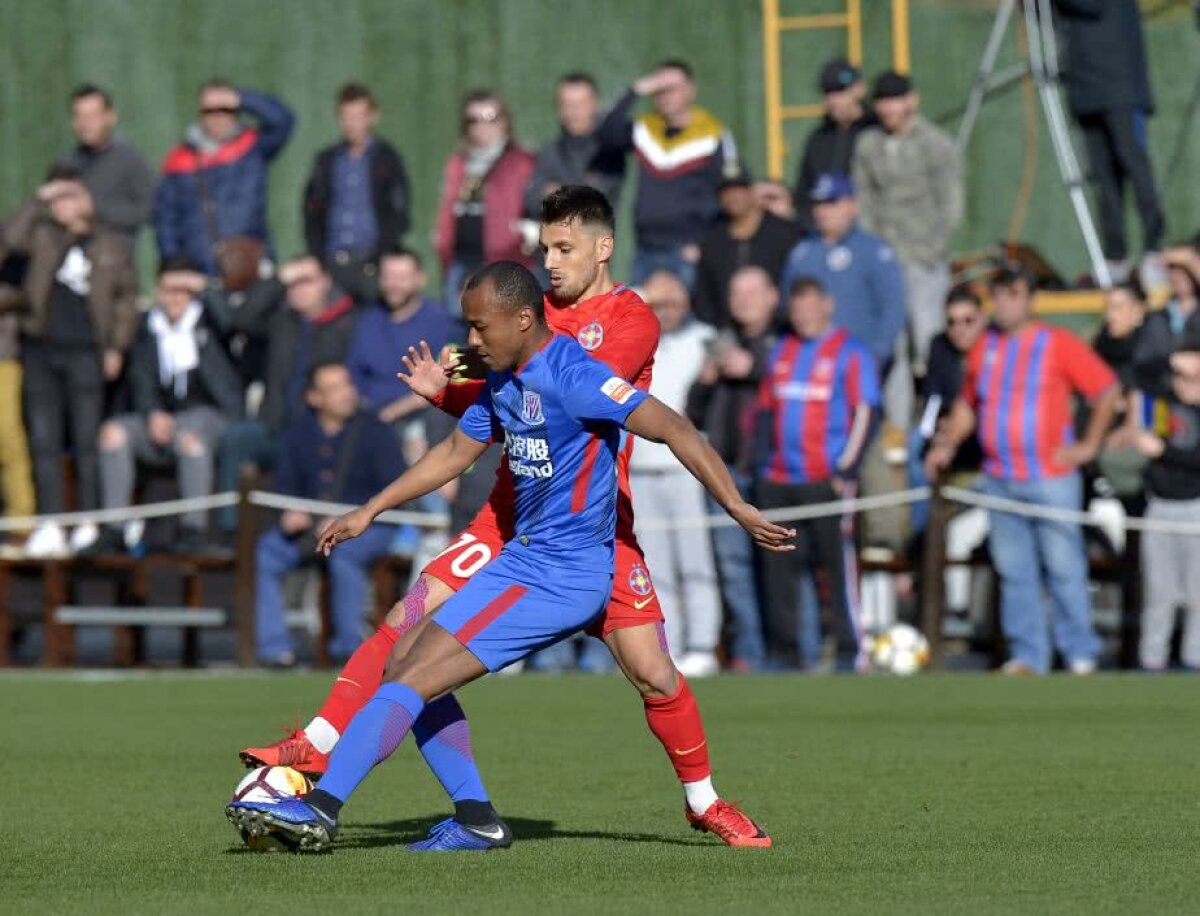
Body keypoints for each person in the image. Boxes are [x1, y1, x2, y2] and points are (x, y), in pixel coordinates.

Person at [241, 186, 772, 850]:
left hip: (588, 536)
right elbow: (475, 423)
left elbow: (605, 403)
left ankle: (704, 801)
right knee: (407, 639)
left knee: (654, 674)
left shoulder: (615, 327)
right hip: (519, 527)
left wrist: (735, 504)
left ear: (603, 249)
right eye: (544, 248)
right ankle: (371, 770)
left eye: (564, 248)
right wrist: (388, 482)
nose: (551, 261)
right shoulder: (516, 335)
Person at [926, 265, 1119, 675]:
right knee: (1015, 572)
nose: (1003, 303)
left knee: (1064, 568)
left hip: (1050, 477)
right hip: (1000, 478)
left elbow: (1106, 391)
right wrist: (947, 443)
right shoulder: (986, 347)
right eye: (998, 295)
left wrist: (1087, 446)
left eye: (1012, 294)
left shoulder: (1057, 343)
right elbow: (968, 405)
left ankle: (1079, 653)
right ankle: (1028, 655)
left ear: (1029, 298)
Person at [2, 165, 138, 557]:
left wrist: (116, 347)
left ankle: (88, 521)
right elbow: (10, 239)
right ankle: (51, 522)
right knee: (43, 440)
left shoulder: (109, 244)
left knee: (85, 439)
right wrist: (39, 199)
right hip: (41, 349)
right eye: (58, 198)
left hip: (86, 351)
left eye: (70, 196)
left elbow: (126, 299)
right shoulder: (43, 236)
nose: (63, 205)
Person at [755, 276, 880, 670]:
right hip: (779, 479)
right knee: (779, 571)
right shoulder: (783, 350)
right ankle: (786, 654)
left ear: (827, 305)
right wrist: (761, 466)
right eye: (797, 309)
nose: (804, 316)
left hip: (826, 479)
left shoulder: (851, 352)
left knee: (837, 568)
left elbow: (867, 413)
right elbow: (766, 410)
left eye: (811, 307)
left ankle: (849, 651)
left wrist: (846, 469)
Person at [85, 258, 243, 556]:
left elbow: (233, 322)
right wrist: (152, 413)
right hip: (160, 418)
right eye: (169, 290)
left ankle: (193, 530)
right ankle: (113, 529)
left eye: (183, 291)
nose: (176, 299)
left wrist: (203, 286)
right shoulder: (148, 327)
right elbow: (140, 377)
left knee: (191, 440)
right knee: (113, 434)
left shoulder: (210, 321)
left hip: (208, 415)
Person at [255, 363, 403, 666]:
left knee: (345, 555)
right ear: (314, 397)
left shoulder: (376, 431)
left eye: (347, 384)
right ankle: (274, 650)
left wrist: (351, 515)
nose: (346, 393)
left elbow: (395, 490)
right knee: (267, 552)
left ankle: (347, 650)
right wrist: (290, 513)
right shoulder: (297, 434)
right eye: (335, 388)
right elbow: (285, 486)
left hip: (371, 527)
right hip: (312, 530)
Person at [852, 71, 962, 438]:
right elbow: (864, 199)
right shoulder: (869, 145)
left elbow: (950, 203)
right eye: (882, 101)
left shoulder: (935, 144)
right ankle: (896, 427)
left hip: (922, 259)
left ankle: (937, 421)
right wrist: (873, 253)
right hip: (884, 260)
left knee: (930, 340)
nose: (888, 109)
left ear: (911, 101)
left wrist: (931, 250)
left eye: (895, 100)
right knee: (890, 346)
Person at [213, 256, 359, 529]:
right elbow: (241, 319)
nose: (299, 289)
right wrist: (277, 280)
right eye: (293, 284)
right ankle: (230, 530)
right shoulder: (281, 322)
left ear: (325, 282)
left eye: (307, 281)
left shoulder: (346, 324)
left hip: (320, 429)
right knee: (237, 440)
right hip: (276, 425)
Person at [687, 266, 782, 671]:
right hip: (727, 473)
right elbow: (690, 412)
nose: (743, 300)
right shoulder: (721, 341)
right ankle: (749, 650)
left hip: (776, 470)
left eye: (752, 291)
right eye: (736, 292)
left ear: (772, 296)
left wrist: (755, 368)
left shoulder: (785, 340)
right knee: (732, 566)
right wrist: (707, 379)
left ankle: (791, 648)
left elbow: (796, 392)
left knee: (780, 565)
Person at [632, 271, 722, 676]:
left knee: (695, 562)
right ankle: (669, 645)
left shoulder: (704, 339)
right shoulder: (635, 341)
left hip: (686, 469)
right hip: (640, 469)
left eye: (671, 304)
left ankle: (702, 644)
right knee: (655, 567)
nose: (664, 312)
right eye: (656, 305)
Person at [595, 59, 739, 288]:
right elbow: (606, 133)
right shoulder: (646, 129)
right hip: (645, 249)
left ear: (691, 90)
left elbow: (730, 192)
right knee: (640, 311)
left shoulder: (713, 134)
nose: (665, 96)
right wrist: (636, 89)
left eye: (672, 88)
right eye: (659, 89)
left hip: (687, 251)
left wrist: (706, 244)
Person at [778, 173, 906, 423]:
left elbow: (893, 307)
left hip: (858, 365)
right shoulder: (803, 252)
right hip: (810, 369)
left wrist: (876, 356)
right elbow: (786, 303)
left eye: (831, 203)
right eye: (818, 204)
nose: (823, 211)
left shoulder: (874, 251)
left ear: (851, 206)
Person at [1053, 0, 1165, 283]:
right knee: (1102, 177)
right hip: (1084, 89)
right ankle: (1116, 255)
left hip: (1121, 86)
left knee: (1133, 163)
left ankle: (1154, 249)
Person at [153, 80, 295, 278]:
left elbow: (283, 120)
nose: (218, 117)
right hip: (199, 268)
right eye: (210, 111)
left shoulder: (252, 147)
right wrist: (172, 259)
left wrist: (242, 98)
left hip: (249, 263)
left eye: (225, 110)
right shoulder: (180, 159)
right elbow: (165, 217)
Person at [303, 82, 411, 302]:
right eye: (346, 117)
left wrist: (380, 255)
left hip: (371, 264)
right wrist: (319, 257)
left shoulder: (387, 159)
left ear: (373, 117)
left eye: (358, 116)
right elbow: (311, 209)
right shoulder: (327, 160)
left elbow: (399, 210)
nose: (352, 124)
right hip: (333, 263)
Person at [1130, 335, 1200, 670]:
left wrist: (1164, 451)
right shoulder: (1162, 401)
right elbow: (1138, 374)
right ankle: (1152, 661)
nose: (1187, 383)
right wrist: (1174, 362)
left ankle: (1194, 661)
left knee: (1197, 595)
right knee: (1159, 593)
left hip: (1195, 508)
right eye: (1181, 376)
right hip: (1160, 505)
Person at [434, 90, 536, 314]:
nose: (482, 126)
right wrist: (442, 246)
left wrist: (521, 238)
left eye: (490, 118)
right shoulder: (457, 163)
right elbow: (446, 212)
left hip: (504, 263)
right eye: (474, 120)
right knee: (455, 325)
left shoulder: (522, 162)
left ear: (505, 121)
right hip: (459, 264)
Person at [346, 247, 453, 444]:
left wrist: (389, 414)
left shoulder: (440, 322)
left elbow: (443, 385)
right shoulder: (367, 320)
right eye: (388, 277)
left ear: (421, 279)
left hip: (416, 417)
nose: (393, 285)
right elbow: (353, 373)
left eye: (402, 278)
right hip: (367, 415)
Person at [906, 288, 987, 535]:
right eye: (952, 322)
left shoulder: (996, 346)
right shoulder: (940, 345)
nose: (959, 329)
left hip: (986, 427)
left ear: (982, 319)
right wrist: (934, 433)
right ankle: (923, 533)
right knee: (915, 446)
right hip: (946, 426)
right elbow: (932, 396)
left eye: (968, 320)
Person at [693, 167, 800, 327]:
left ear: (753, 191)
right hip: (727, 330)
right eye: (727, 192)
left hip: (779, 329)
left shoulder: (785, 233)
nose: (734, 196)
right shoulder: (713, 239)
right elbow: (705, 295)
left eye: (740, 189)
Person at [522, 72, 625, 218]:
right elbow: (531, 200)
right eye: (567, 105)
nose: (574, 112)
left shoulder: (610, 150)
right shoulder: (551, 151)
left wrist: (555, 192)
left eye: (582, 104)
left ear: (596, 105)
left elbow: (596, 201)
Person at [791, 60, 877, 233]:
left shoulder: (877, 132)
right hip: (826, 235)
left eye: (840, 92)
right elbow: (804, 195)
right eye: (828, 93)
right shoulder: (818, 139)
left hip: (872, 234)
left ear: (860, 89)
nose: (833, 100)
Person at [63, 84, 153, 244]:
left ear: (110, 117)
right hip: (69, 248)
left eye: (92, 116)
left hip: (113, 251)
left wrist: (93, 208)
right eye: (80, 116)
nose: (86, 124)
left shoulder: (130, 160)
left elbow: (146, 211)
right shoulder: (66, 163)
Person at [0, 237, 36, 546]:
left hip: (4, 360)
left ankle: (20, 523)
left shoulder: (14, 257)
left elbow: (25, 297)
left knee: (8, 440)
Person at [1132, 246, 1200, 399]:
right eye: (1172, 270)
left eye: (1183, 270)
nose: (1177, 276)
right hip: (1166, 395)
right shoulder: (1157, 318)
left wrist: (1190, 258)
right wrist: (1172, 361)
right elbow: (1142, 362)